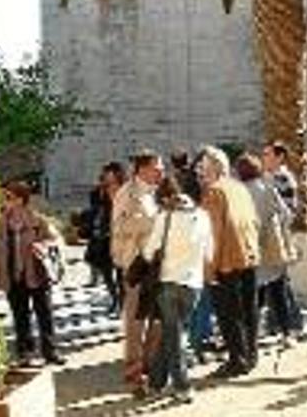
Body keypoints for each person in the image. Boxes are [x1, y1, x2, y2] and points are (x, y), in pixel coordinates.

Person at [140, 176, 213, 403]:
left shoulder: (165, 217)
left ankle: (181, 385)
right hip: (193, 284)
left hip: (168, 281)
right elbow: (208, 254)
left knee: (174, 335)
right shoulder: (203, 217)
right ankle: (155, 383)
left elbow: (149, 252)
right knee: (173, 333)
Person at [200, 146, 261, 378]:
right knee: (248, 309)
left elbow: (211, 233)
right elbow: (253, 222)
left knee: (229, 313)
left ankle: (238, 359)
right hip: (248, 256)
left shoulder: (214, 192)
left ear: (214, 168)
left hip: (227, 260)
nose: (200, 172)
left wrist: (209, 268)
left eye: (203, 167)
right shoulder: (239, 188)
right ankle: (250, 355)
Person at [0, 181, 64, 366]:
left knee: (44, 314)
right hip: (14, 275)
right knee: (19, 315)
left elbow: (55, 241)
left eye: (9, 197)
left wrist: (42, 245)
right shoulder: (2, 222)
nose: (5, 201)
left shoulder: (38, 220)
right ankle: (25, 352)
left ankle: (50, 351)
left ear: (21, 199)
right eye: (5, 198)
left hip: (37, 274)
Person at [112, 151, 163, 390]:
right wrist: (153, 224)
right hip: (136, 264)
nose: (161, 172)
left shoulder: (155, 193)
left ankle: (149, 365)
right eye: (157, 167)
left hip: (155, 264)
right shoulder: (127, 193)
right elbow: (120, 226)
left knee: (156, 317)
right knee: (136, 319)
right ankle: (133, 370)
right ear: (143, 169)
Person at [237, 153, 298, 344]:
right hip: (272, 247)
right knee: (278, 291)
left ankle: (252, 335)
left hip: (249, 248)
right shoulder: (268, 187)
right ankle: (287, 332)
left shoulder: (239, 192)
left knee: (253, 296)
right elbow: (286, 215)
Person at [261, 142, 304, 333]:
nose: (264, 158)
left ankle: (291, 322)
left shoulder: (283, 179)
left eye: (268, 154)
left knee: (279, 281)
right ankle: (279, 323)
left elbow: (287, 211)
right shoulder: (269, 177)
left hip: (278, 237)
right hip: (273, 237)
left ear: (279, 157)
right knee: (276, 281)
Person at [83, 162, 125, 315]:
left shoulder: (125, 191)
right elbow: (95, 212)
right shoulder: (97, 192)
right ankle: (114, 298)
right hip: (102, 237)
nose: (106, 178)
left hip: (120, 237)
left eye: (109, 174)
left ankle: (122, 302)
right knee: (106, 272)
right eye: (105, 175)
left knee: (121, 273)